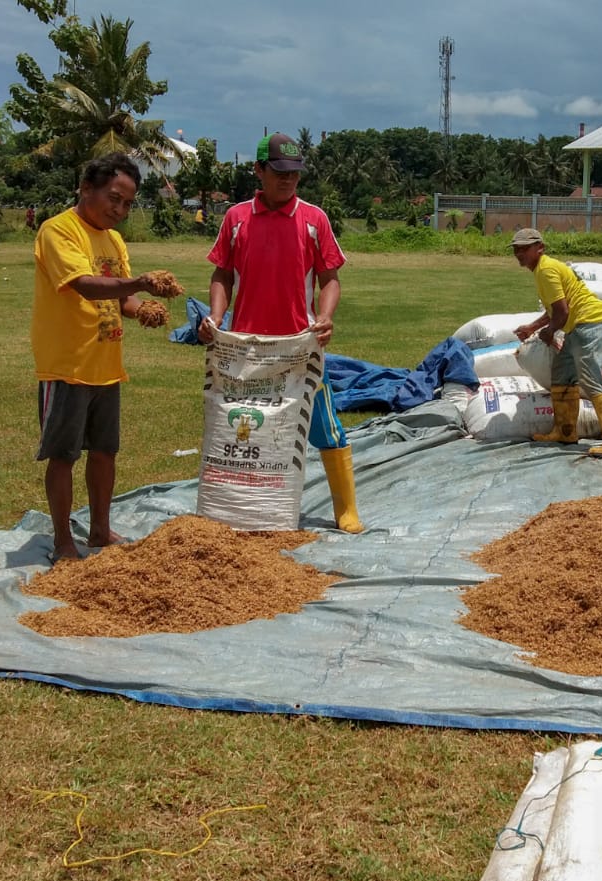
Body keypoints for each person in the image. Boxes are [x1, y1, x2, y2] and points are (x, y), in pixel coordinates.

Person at [197, 132, 364, 533]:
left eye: (294, 174)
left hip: (297, 346)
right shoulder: (237, 219)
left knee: (323, 421)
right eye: (279, 173)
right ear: (259, 171)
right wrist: (216, 320)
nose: (288, 181)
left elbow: (330, 278)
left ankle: (346, 508)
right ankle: (243, 509)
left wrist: (324, 317)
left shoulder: (314, 220)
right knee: (242, 426)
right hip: (244, 350)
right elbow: (222, 273)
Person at [31, 153, 163, 562]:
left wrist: (142, 307)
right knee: (64, 454)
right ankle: (62, 541)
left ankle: (101, 531)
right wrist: (140, 282)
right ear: (86, 188)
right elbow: (86, 285)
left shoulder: (114, 240)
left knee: (105, 451)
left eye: (126, 203)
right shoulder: (58, 231)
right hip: (67, 365)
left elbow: (121, 296)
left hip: (105, 365)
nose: (119, 210)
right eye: (113, 198)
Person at [509, 228, 602, 458]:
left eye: (524, 248)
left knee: (591, 378)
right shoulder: (542, 270)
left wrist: (550, 331)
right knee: (562, 375)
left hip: (590, 323)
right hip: (578, 326)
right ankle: (565, 431)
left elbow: (561, 312)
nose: (519, 253)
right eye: (516, 249)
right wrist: (533, 328)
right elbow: (554, 309)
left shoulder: (546, 270)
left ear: (540, 248)